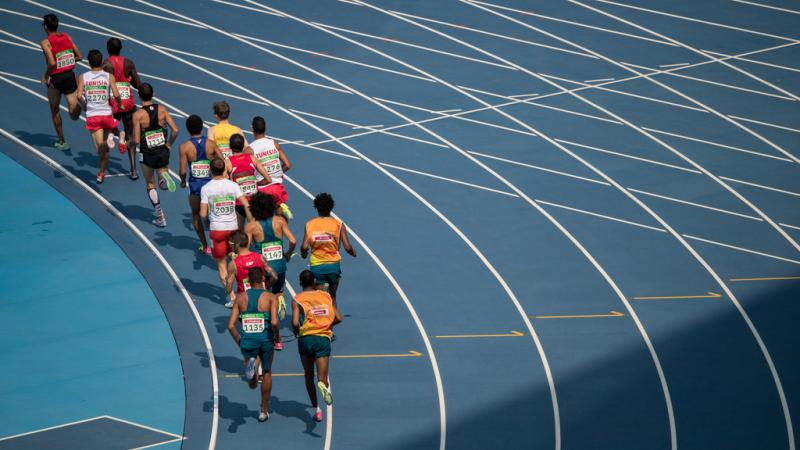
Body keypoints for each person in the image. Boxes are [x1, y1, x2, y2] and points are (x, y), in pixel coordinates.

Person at [227, 266, 279, 422]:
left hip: (248, 341)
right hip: (265, 340)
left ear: (248, 281)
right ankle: (264, 410)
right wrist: (277, 337)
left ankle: (252, 370)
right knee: (268, 371)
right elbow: (275, 322)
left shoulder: (240, 298)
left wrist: (240, 341)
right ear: (263, 279)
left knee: (252, 384)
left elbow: (230, 326)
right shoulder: (270, 297)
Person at [201, 158, 255, 307]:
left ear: (210, 171)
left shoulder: (206, 188)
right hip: (233, 229)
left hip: (217, 230)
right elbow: (246, 204)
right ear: (224, 169)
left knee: (221, 265)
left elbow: (203, 214)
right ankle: (246, 290)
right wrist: (251, 221)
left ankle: (232, 297)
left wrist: (207, 225)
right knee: (238, 260)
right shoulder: (233, 185)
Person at [292, 270, 342, 422]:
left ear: (300, 283)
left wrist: (297, 332)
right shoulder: (325, 295)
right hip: (322, 339)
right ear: (314, 282)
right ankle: (322, 386)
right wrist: (326, 325)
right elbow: (338, 318)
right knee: (322, 377)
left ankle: (317, 409)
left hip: (306, 339)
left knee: (308, 374)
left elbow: (294, 322)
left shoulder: (297, 299)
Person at [132, 82, 179, 227]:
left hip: (147, 153)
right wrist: (169, 144)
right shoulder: (162, 110)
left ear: (139, 96)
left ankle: (160, 216)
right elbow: (175, 130)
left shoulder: (138, 115)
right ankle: (163, 178)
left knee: (150, 184)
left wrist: (128, 143)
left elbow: (137, 140)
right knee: (161, 170)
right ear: (153, 94)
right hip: (162, 150)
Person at [246, 192, 296, 322]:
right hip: (279, 265)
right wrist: (288, 254)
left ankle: (268, 320)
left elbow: (245, 248)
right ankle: (279, 302)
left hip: (262, 267)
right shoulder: (280, 221)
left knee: (263, 295)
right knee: (278, 291)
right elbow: (293, 241)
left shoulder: (251, 226)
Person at [300, 193, 356, 307]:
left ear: (316, 208)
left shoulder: (309, 224)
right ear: (331, 207)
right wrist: (353, 253)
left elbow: (305, 247)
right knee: (332, 296)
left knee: (316, 296)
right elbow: (347, 247)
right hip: (333, 266)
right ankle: (332, 319)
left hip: (316, 266)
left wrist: (304, 254)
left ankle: (317, 320)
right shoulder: (339, 224)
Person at [76, 49, 121, 184]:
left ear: (88, 63)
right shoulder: (109, 76)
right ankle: (101, 172)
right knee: (105, 152)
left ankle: (101, 171)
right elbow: (117, 94)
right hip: (107, 114)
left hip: (93, 116)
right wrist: (119, 106)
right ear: (102, 62)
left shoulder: (83, 77)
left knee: (100, 149)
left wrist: (84, 106)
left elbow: (78, 96)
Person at [39, 13, 81, 151]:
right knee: (74, 115)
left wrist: (45, 76)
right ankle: (80, 102)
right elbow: (79, 56)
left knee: (55, 110)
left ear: (45, 27)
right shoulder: (67, 36)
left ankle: (62, 141)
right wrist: (66, 62)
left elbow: (51, 63)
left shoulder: (45, 43)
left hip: (55, 80)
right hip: (69, 76)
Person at [104, 37, 141, 179]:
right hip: (128, 104)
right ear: (121, 49)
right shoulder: (129, 63)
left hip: (113, 104)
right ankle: (133, 170)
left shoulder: (105, 64)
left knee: (107, 131)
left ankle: (103, 167)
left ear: (108, 49)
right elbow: (137, 84)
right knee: (131, 137)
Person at [179, 114, 214, 254]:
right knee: (215, 214)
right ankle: (217, 242)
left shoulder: (184, 147)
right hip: (211, 186)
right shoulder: (211, 144)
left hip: (195, 187)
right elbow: (222, 161)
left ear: (188, 130)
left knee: (195, 215)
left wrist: (182, 181)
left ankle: (205, 246)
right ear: (202, 127)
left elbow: (182, 171)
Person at [247, 116, 293, 219]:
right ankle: (281, 208)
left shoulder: (250, 150)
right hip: (277, 188)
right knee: (279, 221)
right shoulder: (274, 144)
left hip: (262, 190)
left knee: (263, 221)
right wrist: (277, 173)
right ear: (266, 128)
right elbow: (288, 165)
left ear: (252, 129)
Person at [227, 134, 271, 229]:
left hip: (238, 203)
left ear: (230, 146)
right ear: (243, 146)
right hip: (253, 202)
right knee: (256, 232)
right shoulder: (252, 158)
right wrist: (256, 184)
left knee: (239, 235)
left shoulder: (228, 163)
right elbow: (268, 179)